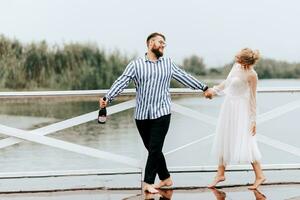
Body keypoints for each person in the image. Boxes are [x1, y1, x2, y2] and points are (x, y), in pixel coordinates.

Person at [99, 32, 212, 193]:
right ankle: (165, 178)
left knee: (154, 148)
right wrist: (107, 98)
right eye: (160, 42)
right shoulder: (136, 65)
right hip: (142, 115)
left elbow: (183, 77)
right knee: (154, 149)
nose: (163, 45)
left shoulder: (167, 63)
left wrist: (204, 88)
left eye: (164, 43)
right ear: (150, 44)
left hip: (162, 113)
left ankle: (148, 183)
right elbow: (121, 82)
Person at [206, 48, 266, 190]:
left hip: (241, 110)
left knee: (247, 140)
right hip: (228, 107)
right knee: (224, 137)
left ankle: (260, 176)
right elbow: (226, 83)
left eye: (239, 58)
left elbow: (252, 98)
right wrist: (213, 91)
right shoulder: (236, 67)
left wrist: (253, 120)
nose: (236, 60)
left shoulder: (252, 75)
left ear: (246, 61)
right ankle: (220, 173)